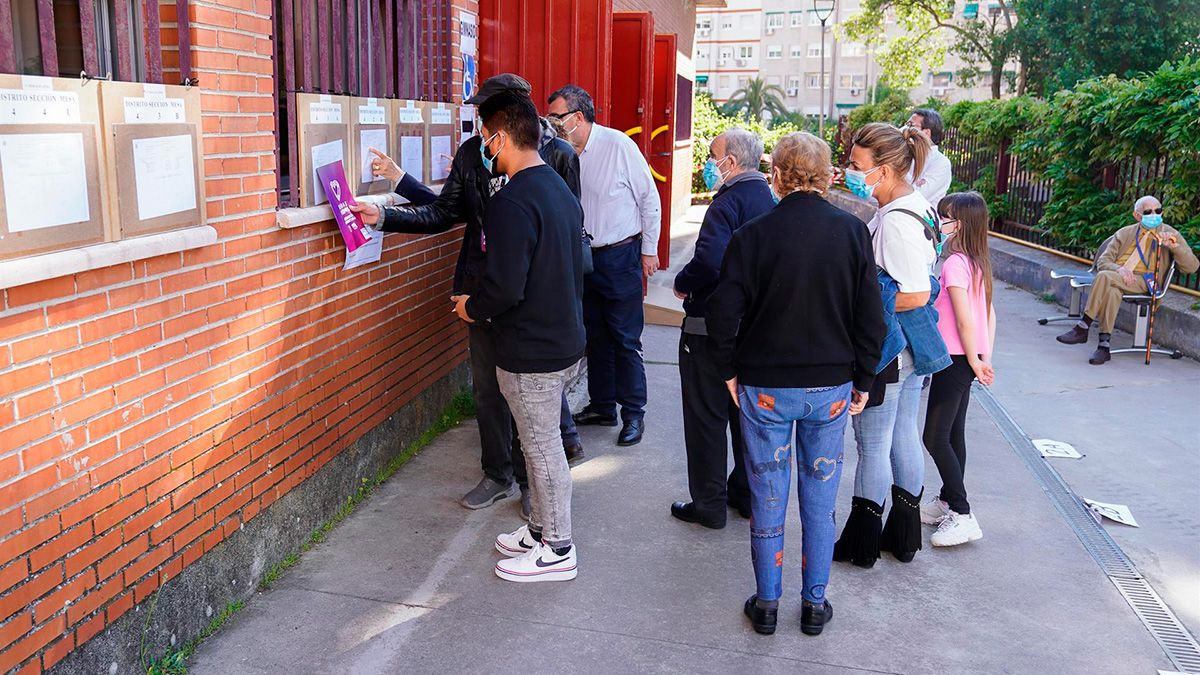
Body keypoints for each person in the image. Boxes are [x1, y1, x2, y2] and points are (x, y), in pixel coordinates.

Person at [352, 74, 584, 516]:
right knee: (488, 389)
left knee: (531, 396)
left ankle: (533, 482)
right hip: (483, 290)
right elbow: (445, 212)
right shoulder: (472, 157)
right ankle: (497, 473)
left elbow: (566, 231)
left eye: (484, 122)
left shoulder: (556, 157)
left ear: (508, 120)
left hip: (530, 299)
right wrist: (383, 217)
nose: (479, 133)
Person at [708, 131, 885, 637]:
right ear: (828, 174)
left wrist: (728, 371)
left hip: (763, 385)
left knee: (767, 494)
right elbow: (871, 318)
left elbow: (724, 315)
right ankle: (813, 605)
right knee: (819, 496)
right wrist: (864, 379)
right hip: (830, 387)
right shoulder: (852, 232)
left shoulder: (752, 236)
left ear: (777, 175)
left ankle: (766, 603)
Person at [448, 92, 586, 582]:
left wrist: (471, 307)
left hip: (532, 351)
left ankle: (558, 548)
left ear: (499, 137)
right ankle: (540, 528)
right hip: (562, 340)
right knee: (536, 445)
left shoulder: (510, 201)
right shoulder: (557, 189)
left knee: (542, 450)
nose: (482, 146)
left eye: (484, 136)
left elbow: (504, 287)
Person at [833, 122, 950, 569]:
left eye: (857, 165)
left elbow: (916, 292)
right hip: (912, 345)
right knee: (902, 436)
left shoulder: (897, 222)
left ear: (883, 170)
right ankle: (901, 536)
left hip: (891, 348)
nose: (850, 171)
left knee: (873, 443)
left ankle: (862, 542)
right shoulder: (915, 205)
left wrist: (861, 305)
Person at [669, 129, 773, 529]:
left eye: (713, 157)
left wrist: (682, 281)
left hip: (709, 329)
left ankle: (709, 505)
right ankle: (744, 495)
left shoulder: (726, 204)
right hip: (754, 330)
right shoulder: (769, 200)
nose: (708, 165)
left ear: (731, 162)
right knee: (745, 419)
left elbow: (710, 262)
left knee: (705, 419)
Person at [548, 85, 662, 447]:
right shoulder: (557, 152)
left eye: (557, 118)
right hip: (581, 258)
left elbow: (649, 200)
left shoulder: (618, 146)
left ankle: (633, 414)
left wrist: (648, 251)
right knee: (593, 335)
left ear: (578, 118)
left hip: (619, 255)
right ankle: (602, 405)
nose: (551, 124)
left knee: (625, 338)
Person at [921, 192, 996, 547]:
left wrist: (974, 358)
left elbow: (967, 320)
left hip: (954, 357)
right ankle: (948, 501)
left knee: (934, 437)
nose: (940, 222)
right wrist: (983, 357)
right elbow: (989, 315)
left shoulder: (954, 264)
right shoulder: (978, 261)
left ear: (960, 223)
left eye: (945, 217)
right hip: (968, 356)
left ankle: (962, 513)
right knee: (953, 433)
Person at [1055, 195, 1199, 364]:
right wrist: (1120, 269)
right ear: (1137, 216)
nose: (1154, 215)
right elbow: (1103, 261)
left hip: (1147, 282)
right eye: (1148, 211)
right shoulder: (1125, 233)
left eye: (1158, 211)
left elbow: (1192, 267)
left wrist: (1176, 248)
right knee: (1112, 290)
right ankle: (1103, 346)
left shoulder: (1170, 234)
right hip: (1119, 277)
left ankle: (1083, 326)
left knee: (1104, 277)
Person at [906, 109, 952, 206]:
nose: (906, 129)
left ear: (926, 132)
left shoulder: (941, 163)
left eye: (911, 125)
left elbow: (918, 195)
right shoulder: (907, 154)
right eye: (907, 124)